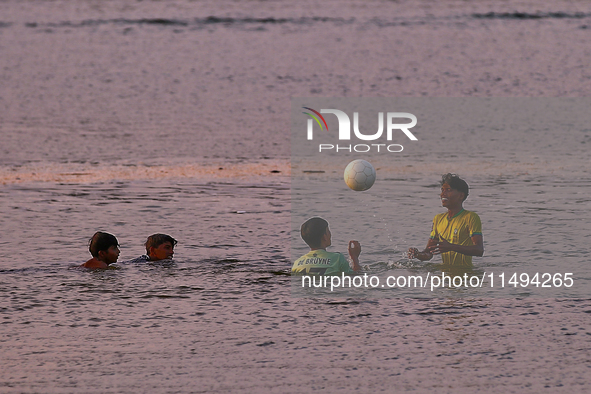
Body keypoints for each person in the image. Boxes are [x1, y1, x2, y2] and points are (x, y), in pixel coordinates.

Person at [408, 173, 484, 267]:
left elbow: (479, 250)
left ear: (461, 195)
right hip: (444, 276)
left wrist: (451, 247)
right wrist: (417, 254)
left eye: (448, 190)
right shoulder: (438, 219)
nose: (443, 194)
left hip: (465, 276)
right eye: (442, 190)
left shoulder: (471, 217)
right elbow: (428, 253)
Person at [292, 217, 362, 275]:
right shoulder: (337, 258)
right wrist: (354, 257)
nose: (330, 234)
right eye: (328, 231)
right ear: (324, 237)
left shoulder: (297, 263)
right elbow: (356, 275)